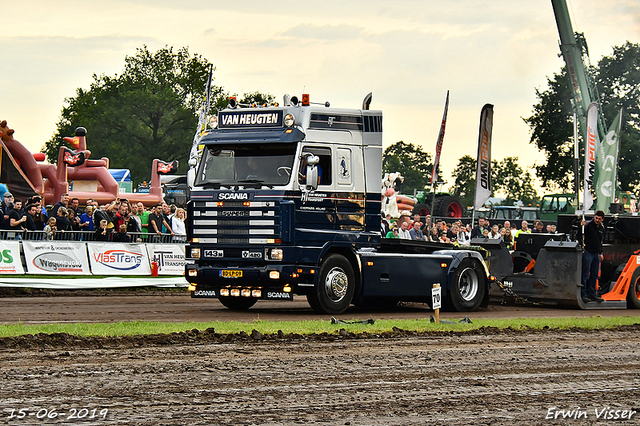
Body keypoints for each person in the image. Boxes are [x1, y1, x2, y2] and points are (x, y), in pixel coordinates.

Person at [576, 211, 606, 303]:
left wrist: (601, 252)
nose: (597, 220)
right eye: (596, 218)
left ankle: (592, 293)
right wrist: (581, 226)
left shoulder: (602, 228)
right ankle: (583, 293)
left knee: (594, 274)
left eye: (599, 219)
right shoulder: (588, 225)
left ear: (602, 219)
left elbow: (600, 241)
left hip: (596, 253)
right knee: (585, 274)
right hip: (588, 251)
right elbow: (579, 235)